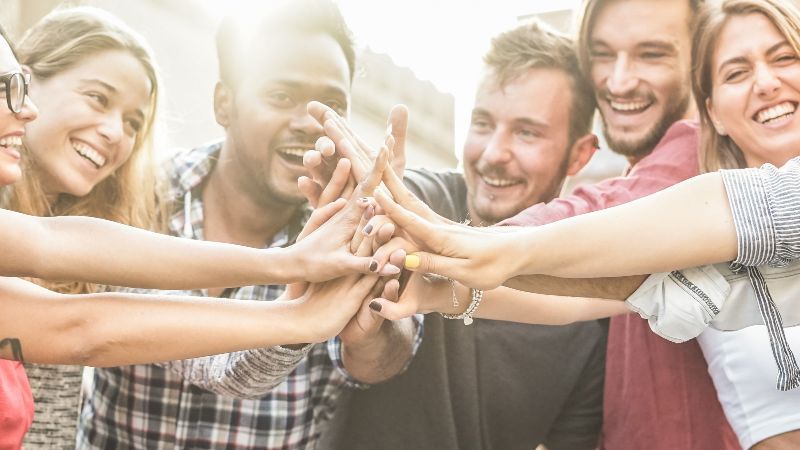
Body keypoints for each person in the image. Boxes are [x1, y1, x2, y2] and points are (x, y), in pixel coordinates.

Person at [317, 0, 741, 448]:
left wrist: (438, 248)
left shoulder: (697, 167)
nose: (618, 80)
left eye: (527, 132)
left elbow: (588, 217)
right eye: (601, 53)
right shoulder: (423, 201)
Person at [0, 17, 393, 448]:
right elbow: (79, 326)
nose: (115, 133)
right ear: (28, 79)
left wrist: (295, 300)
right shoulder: (131, 207)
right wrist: (292, 283)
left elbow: (211, 363)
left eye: (134, 123)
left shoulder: (106, 216)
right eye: (97, 98)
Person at [318, 21, 615, 450]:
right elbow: (371, 354)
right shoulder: (414, 204)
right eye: (482, 123)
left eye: (527, 132)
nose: (494, 153)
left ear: (580, 154)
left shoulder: (588, 317)